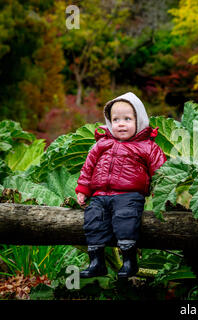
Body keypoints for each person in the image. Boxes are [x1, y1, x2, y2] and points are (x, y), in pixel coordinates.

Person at [75, 92, 167, 278]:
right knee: (93, 222)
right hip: (100, 195)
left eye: (127, 119)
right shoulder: (102, 144)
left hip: (129, 195)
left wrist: (161, 193)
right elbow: (88, 168)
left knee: (125, 222)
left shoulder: (147, 146)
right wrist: (83, 189)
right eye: (116, 119)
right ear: (109, 122)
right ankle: (96, 262)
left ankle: (129, 262)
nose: (121, 124)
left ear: (139, 120)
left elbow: (161, 172)